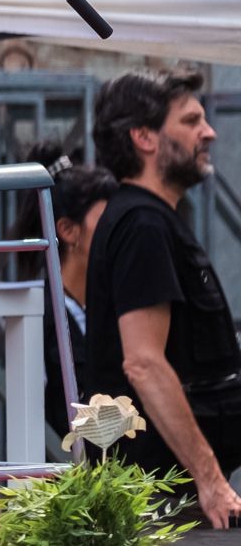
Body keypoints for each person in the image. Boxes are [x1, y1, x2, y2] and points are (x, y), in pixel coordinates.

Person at [84, 69, 241, 526]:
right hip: (161, 508)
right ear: (144, 138)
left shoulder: (149, 219)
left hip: (171, 501)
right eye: (191, 121)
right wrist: (209, 480)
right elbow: (144, 363)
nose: (209, 132)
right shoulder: (142, 226)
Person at [13, 146, 119, 443]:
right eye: (107, 221)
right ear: (69, 231)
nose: (119, 232)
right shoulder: (39, 316)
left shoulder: (115, 305)